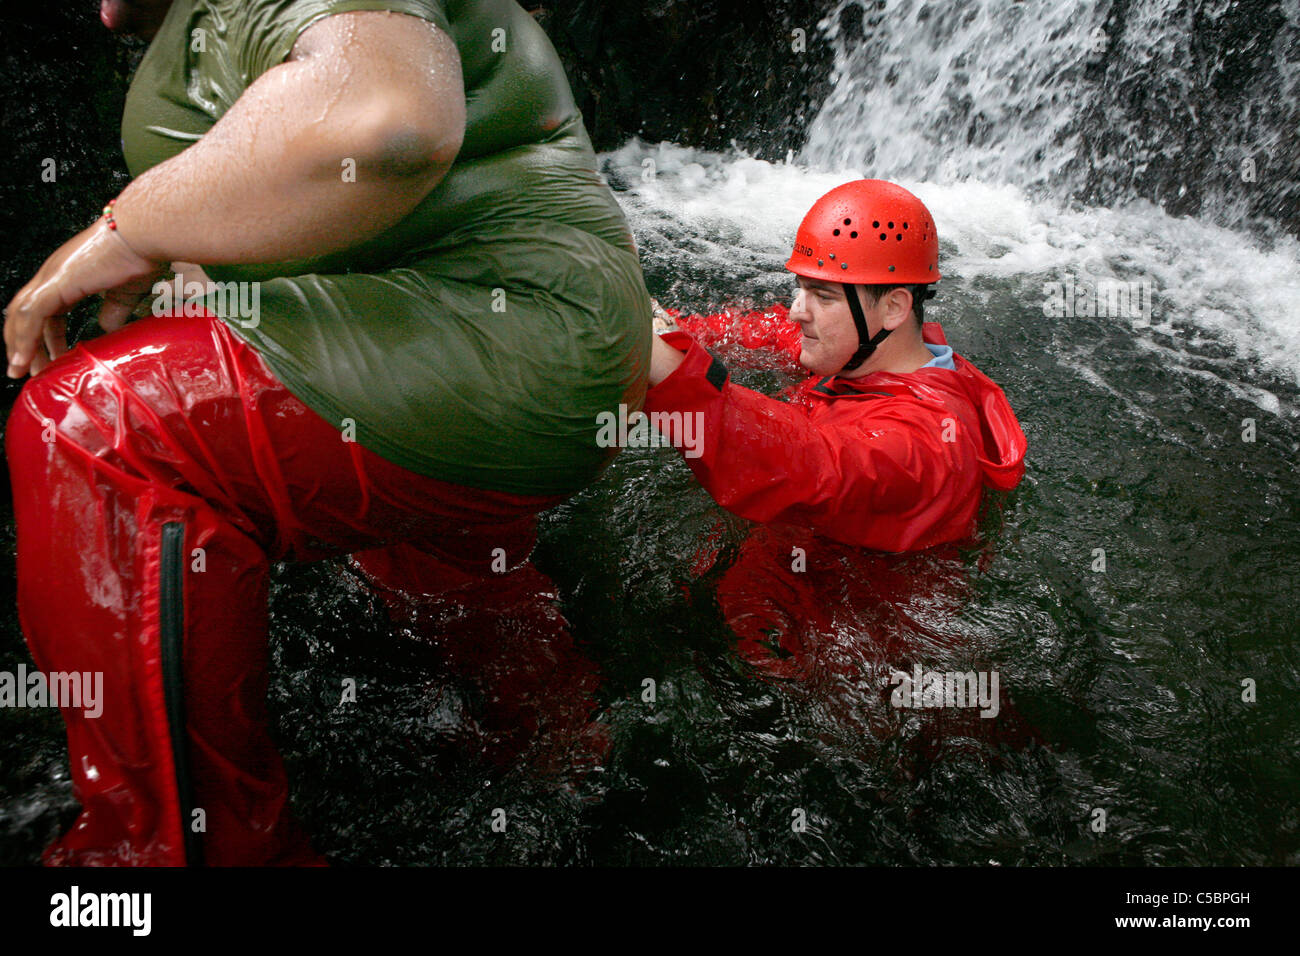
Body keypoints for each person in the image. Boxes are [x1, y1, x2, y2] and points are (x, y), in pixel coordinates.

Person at [3, 0, 649, 865]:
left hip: (508, 334)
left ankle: (160, 860)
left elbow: (390, 126)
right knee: (439, 558)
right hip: (470, 331)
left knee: (98, 426)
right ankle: (563, 752)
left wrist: (126, 230)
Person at [645, 179, 1026, 554]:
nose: (797, 310)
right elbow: (764, 331)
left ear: (894, 307)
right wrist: (669, 328)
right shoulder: (859, 350)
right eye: (801, 288)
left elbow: (816, 465)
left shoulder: (925, 446)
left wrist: (668, 369)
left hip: (828, 606)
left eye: (822, 296)